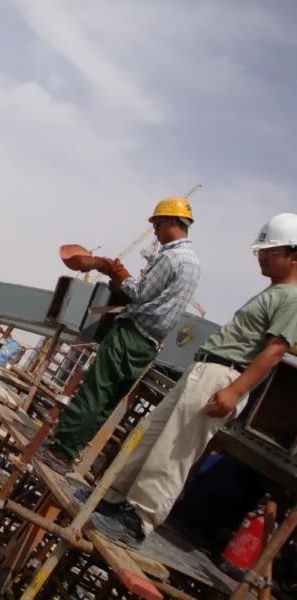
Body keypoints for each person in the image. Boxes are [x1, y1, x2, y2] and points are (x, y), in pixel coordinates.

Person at [91, 213, 297, 546]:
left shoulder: (292, 299)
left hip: (223, 375)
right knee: (152, 435)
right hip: (206, 368)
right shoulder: (274, 293)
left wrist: (234, 390)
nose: (260, 256)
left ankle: (138, 521)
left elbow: (273, 353)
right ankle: (114, 499)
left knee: (174, 451)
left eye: (268, 251)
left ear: (293, 255)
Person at [39, 197, 201, 474]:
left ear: (172, 222)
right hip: (149, 344)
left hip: (131, 334)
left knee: (94, 391)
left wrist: (117, 271)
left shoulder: (171, 256)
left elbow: (139, 293)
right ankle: (68, 454)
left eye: (158, 225)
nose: (156, 232)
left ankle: (58, 450)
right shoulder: (194, 262)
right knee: (107, 402)